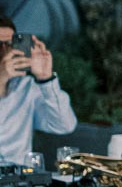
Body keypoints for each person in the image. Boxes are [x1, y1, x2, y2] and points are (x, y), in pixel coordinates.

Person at [0, 16, 77, 164]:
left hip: (19, 180)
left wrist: (46, 79)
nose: (5, 51)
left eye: (10, 44)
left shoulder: (27, 87)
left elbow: (64, 125)